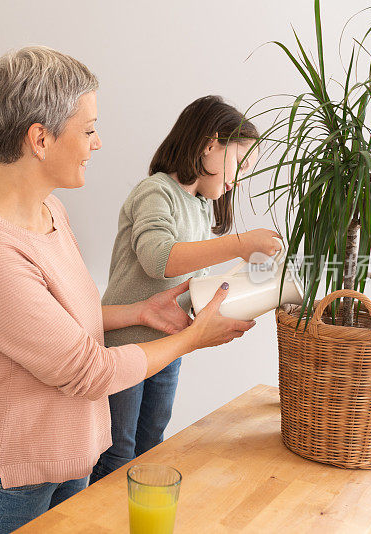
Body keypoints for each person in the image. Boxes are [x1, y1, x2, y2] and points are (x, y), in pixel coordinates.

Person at [0, 48, 256, 534]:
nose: (98, 143)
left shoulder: (52, 214)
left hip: (72, 460)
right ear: (40, 139)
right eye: (88, 129)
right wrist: (194, 338)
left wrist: (140, 311)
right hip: (12, 482)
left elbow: (72, 317)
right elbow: (86, 372)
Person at [90, 96, 282, 484]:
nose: (238, 180)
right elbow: (158, 259)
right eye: (239, 163)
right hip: (127, 344)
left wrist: (248, 276)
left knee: (151, 445)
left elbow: (189, 283)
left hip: (169, 346)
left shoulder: (201, 207)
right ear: (210, 145)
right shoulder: (155, 191)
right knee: (117, 453)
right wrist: (239, 243)